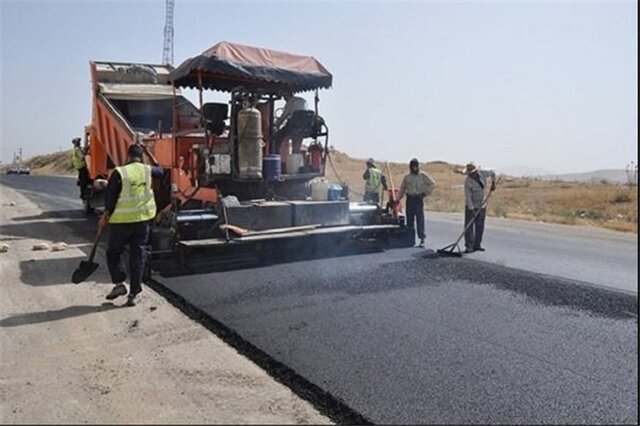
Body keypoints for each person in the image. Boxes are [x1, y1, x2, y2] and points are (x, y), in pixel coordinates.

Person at [99, 144, 163, 307]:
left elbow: (110, 198)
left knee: (113, 253)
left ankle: (119, 284)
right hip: (142, 222)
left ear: (127, 156)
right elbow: (160, 171)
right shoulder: (148, 170)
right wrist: (150, 153)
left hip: (121, 222)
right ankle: (134, 293)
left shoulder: (119, 172)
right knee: (138, 256)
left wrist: (105, 215)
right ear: (141, 157)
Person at [397, 158, 436, 248]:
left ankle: (422, 238)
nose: (414, 168)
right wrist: (398, 198)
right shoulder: (407, 177)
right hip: (410, 200)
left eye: (416, 166)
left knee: (420, 220)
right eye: (412, 167)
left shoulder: (422, 175)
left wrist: (425, 193)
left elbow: (432, 184)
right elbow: (402, 188)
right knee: (410, 220)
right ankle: (410, 239)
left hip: (418, 200)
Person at [463, 161, 496, 253]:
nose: (471, 175)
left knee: (480, 226)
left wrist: (493, 183)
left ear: (476, 171)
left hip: (482, 205)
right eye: (469, 173)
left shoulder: (483, 173)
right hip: (471, 206)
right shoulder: (467, 182)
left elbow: (493, 173)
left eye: (472, 173)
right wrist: (472, 209)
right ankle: (469, 245)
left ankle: (477, 245)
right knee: (469, 227)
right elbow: (468, 197)